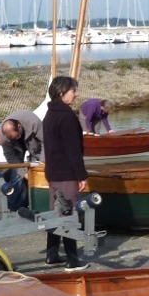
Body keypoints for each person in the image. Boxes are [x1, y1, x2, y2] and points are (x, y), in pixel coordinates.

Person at [42, 75, 90, 272]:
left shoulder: (49, 114)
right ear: (62, 93)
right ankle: (72, 259)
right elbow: (73, 150)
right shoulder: (67, 116)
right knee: (69, 213)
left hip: (52, 171)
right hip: (66, 173)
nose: (76, 94)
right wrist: (81, 175)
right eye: (73, 91)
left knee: (56, 213)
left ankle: (52, 254)